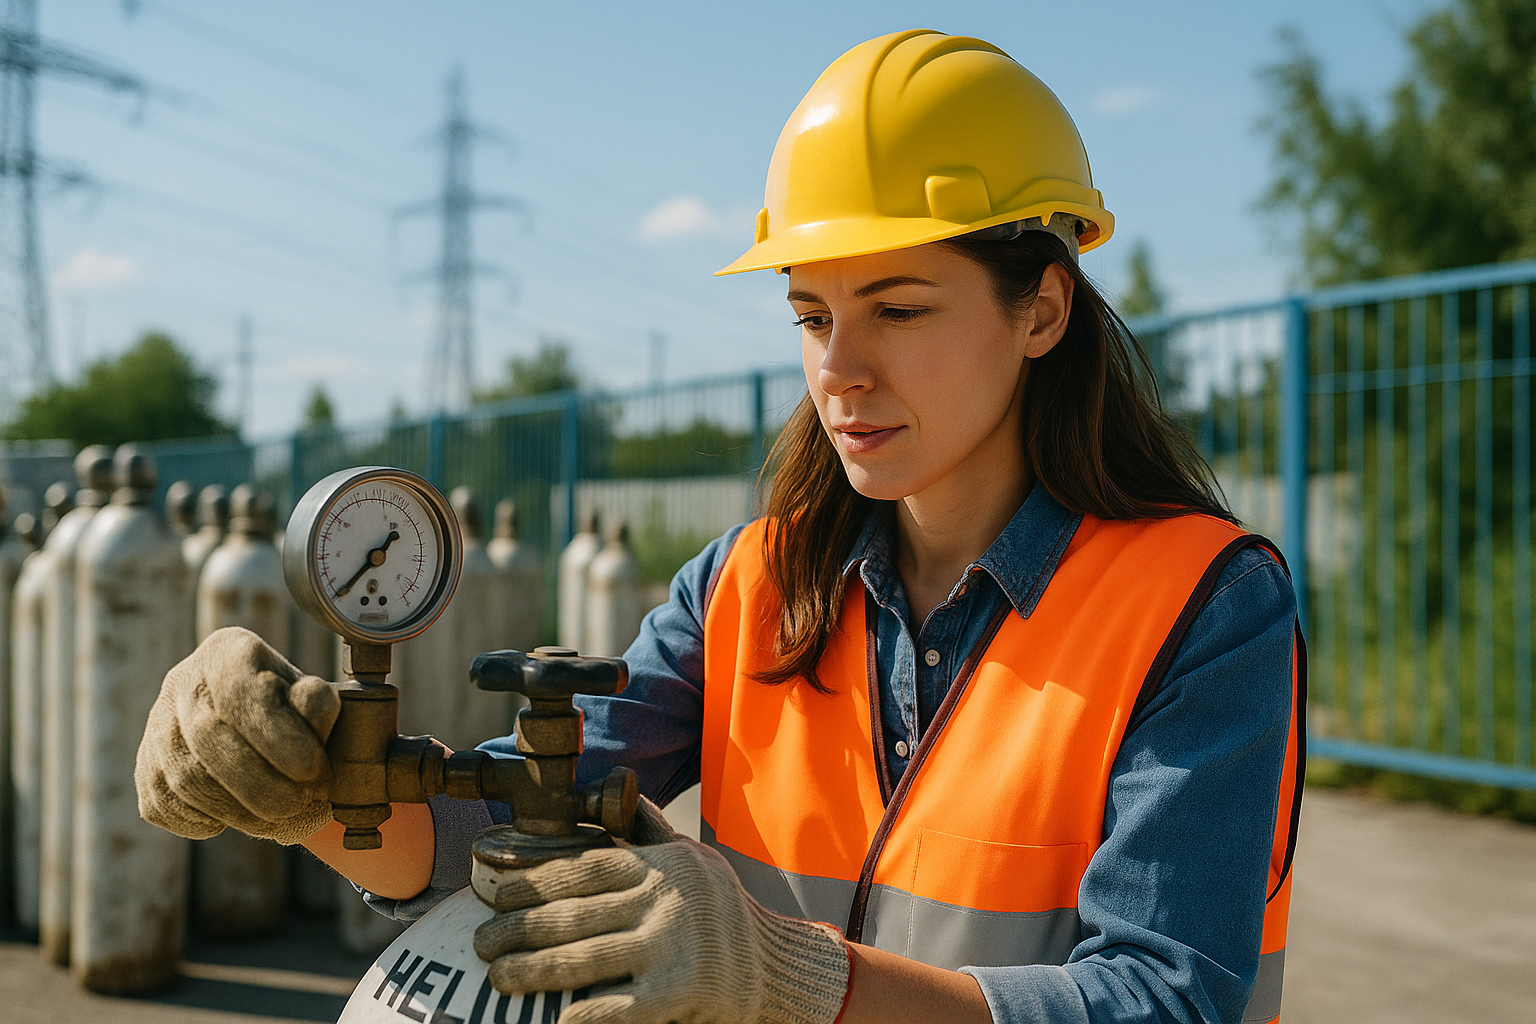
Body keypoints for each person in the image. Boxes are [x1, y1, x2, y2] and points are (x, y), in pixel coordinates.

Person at [136, 29, 1302, 1024]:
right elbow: (501, 826)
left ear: (1041, 309)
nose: (840, 371)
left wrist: (796, 977)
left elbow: (1165, 997)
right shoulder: (751, 586)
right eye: (812, 316)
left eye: (898, 309)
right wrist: (308, 792)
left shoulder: (1201, 606)